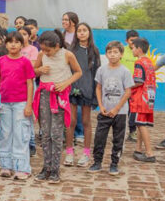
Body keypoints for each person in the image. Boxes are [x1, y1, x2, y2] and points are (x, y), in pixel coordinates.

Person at [32, 30, 81, 183]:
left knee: (56, 133)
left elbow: (78, 72)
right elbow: (33, 72)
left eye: (48, 50)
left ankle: (55, 169)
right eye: (43, 49)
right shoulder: (41, 55)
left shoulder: (68, 55)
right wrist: (39, 70)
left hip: (60, 96)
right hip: (45, 95)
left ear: (57, 46)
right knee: (45, 133)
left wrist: (66, 83)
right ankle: (45, 167)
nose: (45, 52)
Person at [0, 31, 36, 180]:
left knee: (20, 134)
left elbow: (30, 84)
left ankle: (22, 168)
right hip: (4, 103)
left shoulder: (25, 62)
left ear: (21, 44)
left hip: (21, 103)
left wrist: (29, 104)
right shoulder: (0, 61)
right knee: (4, 134)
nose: (13, 44)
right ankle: (6, 166)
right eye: (10, 42)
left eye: (16, 42)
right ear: (6, 44)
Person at [89, 41, 133, 175]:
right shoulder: (101, 70)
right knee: (99, 138)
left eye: (115, 52)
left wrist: (117, 109)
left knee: (118, 139)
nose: (112, 55)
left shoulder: (125, 71)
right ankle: (97, 162)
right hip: (105, 111)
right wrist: (101, 106)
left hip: (120, 113)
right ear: (106, 54)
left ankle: (114, 163)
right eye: (110, 52)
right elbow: (98, 88)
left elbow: (128, 92)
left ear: (121, 54)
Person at [65, 22, 100, 168]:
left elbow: (96, 73)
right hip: (72, 89)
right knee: (71, 121)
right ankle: (69, 152)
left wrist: (95, 94)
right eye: (79, 30)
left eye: (85, 30)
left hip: (88, 90)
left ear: (89, 33)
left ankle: (86, 154)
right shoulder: (70, 50)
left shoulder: (94, 51)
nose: (82, 33)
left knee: (86, 122)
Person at [129, 37, 156, 163]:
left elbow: (138, 81)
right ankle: (138, 149)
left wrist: (126, 86)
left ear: (139, 49)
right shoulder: (149, 62)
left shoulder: (139, 62)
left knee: (140, 125)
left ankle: (149, 152)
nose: (132, 50)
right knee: (142, 124)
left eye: (133, 48)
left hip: (140, 97)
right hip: (149, 97)